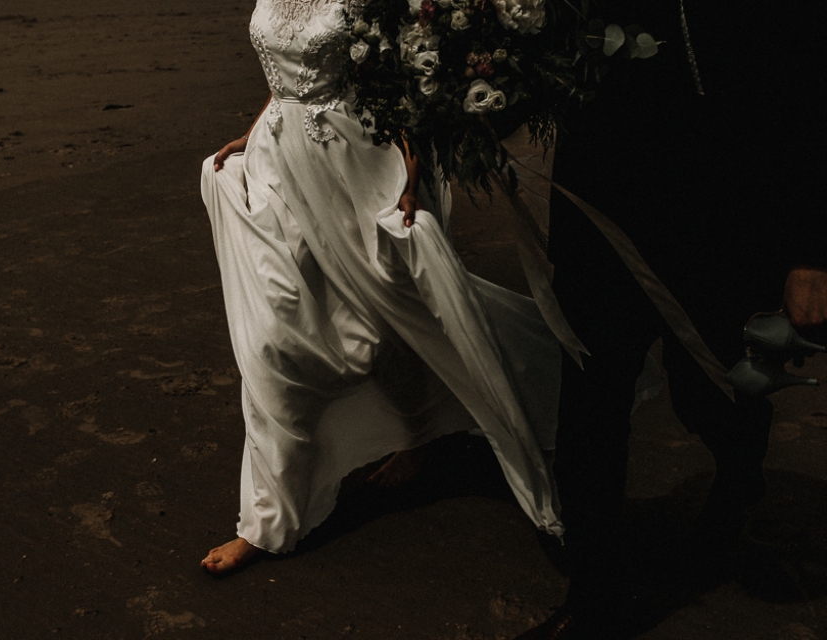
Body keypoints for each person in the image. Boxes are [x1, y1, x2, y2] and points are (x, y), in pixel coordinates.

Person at [199, 0, 566, 574]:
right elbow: (280, 80)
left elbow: (411, 92)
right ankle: (268, 519)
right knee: (272, 334)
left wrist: (413, 179)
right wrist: (250, 137)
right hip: (279, 166)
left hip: (357, 166)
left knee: (403, 312)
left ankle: (440, 429)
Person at [517, 1, 826, 638]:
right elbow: (542, 61)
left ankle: (738, 484)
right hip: (599, 205)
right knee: (591, 396)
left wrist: (809, 254)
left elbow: (809, 94)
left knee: (711, 391)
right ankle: (592, 595)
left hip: (721, 212)